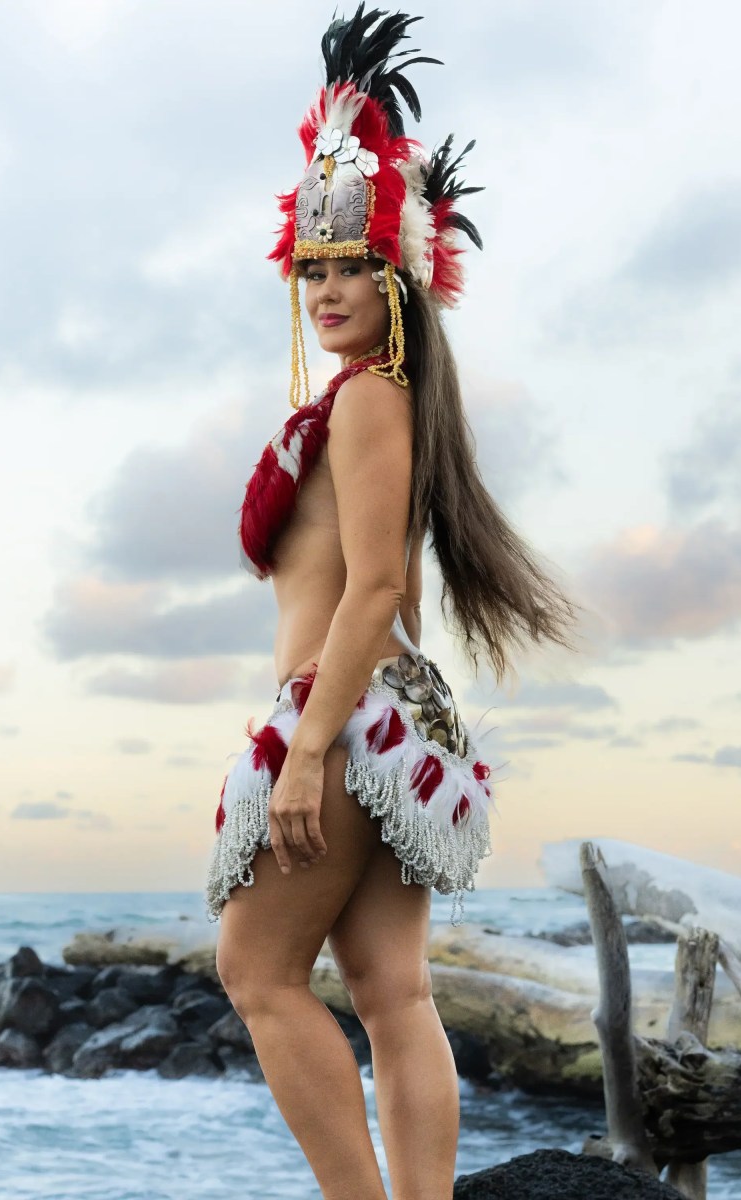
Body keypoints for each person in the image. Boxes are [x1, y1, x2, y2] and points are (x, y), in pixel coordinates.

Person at [204, 7, 581, 1198]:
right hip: (402, 709)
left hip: (350, 711)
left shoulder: (372, 401)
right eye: (312, 267)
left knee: (256, 974)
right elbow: (397, 589)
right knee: (391, 989)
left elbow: (370, 591)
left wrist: (309, 745)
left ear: (399, 273)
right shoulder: (387, 406)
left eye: (352, 264)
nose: (327, 286)